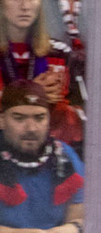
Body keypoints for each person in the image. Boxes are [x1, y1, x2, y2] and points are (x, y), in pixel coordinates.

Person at [0, 80, 81, 233]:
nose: (31, 127)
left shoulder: (64, 154)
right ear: (2, 120)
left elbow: (82, 210)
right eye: (19, 118)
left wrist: (72, 229)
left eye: (39, 117)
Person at [0, 0, 82, 146]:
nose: (25, 6)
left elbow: (77, 109)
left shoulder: (60, 52)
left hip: (51, 144)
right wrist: (32, 94)